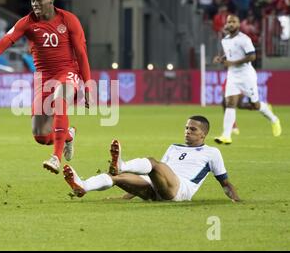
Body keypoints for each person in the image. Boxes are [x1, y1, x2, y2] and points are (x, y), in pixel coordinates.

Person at [0, 0, 91, 174]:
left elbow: (82, 53)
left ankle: (56, 158)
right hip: (43, 78)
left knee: (60, 101)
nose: (35, 4)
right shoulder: (26, 23)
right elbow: (2, 44)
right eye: (32, 0)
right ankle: (68, 135)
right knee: (41, 136)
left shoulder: (69, 20)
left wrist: (88, 86)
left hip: (68, 72)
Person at [63, 116, 241, 202]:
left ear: (204, 133)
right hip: (158, 190)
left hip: (180, 190)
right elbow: (154, 175)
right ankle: (83, 186)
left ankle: (122, 165)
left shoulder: (212, 152)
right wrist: (125, 197)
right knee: (116, 178)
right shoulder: (174, 147)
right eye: (186, 128)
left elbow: (225, 183)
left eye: (193, 129)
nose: (187, 131)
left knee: (153, 163)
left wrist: (236, 199)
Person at [213, 14, 281, 145]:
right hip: (232, 76)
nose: (231, 24)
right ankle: (226, 135)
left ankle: (274, 119)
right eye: (229, 22)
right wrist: (221, 59)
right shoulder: (225, 40)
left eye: (234, 21)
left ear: (238, 24)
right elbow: (230, 53)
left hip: (246, 76)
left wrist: (232, 63)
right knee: (230, 103)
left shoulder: (244, 39)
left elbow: (252, 56)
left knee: (255, 104)